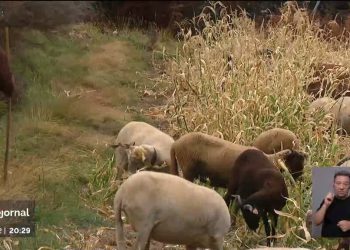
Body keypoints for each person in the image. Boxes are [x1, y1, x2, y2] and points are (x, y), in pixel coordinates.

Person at [314, 170, 350, 237]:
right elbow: (316, 222)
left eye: (345, 184)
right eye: (338, 183)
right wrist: (325, 205)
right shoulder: (327, 200)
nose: (341, 187)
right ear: (333, 185)